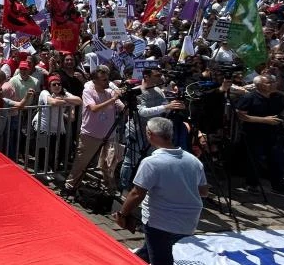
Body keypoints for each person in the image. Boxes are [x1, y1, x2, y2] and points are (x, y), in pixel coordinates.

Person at [115, 117, 208, 265]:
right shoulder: (193, 161)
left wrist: (123, 214)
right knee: (151, 249)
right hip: (188, 221)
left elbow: (137, 193)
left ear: (150, 134)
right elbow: (203, 192)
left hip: (160, 222)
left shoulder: (152, 162)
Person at [120, 68, 187, 193]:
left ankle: (144, 186)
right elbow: (142, 112)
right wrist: (166, 106)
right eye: (157, 75)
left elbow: (164, 108)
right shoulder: (137, 92)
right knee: (131, 160)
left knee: (150, 158)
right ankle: (124, 187)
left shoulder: (157, 90)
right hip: (138, 129)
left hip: (154, 131)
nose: (160, 78)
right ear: (146, 76)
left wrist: (174, 106)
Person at [63, 65, 124, 195]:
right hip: (90, 135)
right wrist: (113, 99)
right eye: (104, 80)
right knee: (82, 163)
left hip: (109, 135)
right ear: (95, 80)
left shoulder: (110, 92)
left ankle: (110, 188)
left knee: (109, 164)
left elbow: (122, 108)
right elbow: (94, 109)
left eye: (108, 79)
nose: (107, 82)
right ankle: (70, 186)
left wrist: (124, 99)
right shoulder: (88, 92)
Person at [235, 73, 284, 193]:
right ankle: (252, 184)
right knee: (254, 160)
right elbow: (241, 116)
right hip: (254, 133)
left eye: (273, 82)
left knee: (276, 159)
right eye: (269, 82)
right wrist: (264, 120)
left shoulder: (278, 97)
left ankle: (277, 184)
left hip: (275, 133)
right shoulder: (249, 98)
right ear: (259, 85)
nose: (273, 84)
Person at [31, 74, 81, 173]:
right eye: (54, 84)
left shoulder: (64, 94)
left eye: (59, 84)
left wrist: (63, 99)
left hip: (58, 127)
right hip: (43, 126)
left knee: (59, 151)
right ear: (49, 86)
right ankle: (42, 171)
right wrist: (65, 101)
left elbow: (79, 100)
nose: (57, 86)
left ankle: (54, 170)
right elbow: (52, 102)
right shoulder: (44, 92)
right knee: (43, 151)